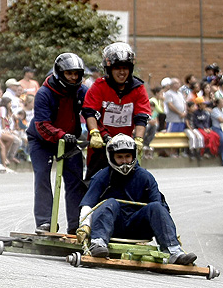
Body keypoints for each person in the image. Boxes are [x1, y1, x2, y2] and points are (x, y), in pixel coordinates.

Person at [76, 134, 197, 265]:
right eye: (120, 157)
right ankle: (98, 244)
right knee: (110, 202)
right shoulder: (101, 176)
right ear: (111, 157)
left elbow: (160, 209)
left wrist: (171, 232)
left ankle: (174, 251)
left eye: (127, 156)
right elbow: (88, 205)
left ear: (134, 155)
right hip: (110, 228)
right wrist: (84, 226)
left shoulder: (146, 177)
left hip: (138, 228)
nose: (124, 161)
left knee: (155, 206)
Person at [26, 53, 88, 234]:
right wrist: (61, 135)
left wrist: (96, 132)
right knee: (42, 176)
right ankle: (45, 222)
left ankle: (76, 225)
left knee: (75, 180)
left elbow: (92, 112)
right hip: (41, 140)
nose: (73, 78)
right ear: (59, 73)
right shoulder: (44, 93)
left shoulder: (82, 91)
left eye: (76, 74)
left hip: (70, 140)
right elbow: (42, 124)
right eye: (69, 73)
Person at [82, 42, 150, 180]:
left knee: (131, 181)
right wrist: (95, 133)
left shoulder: (138, 88)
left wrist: (138, 139)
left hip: (125, 146)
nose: (122, 72)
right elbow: (90, 112)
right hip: (101, 143)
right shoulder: (99, 86)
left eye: (125, 68)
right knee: (94, 181)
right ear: (109, 69)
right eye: (117, 68)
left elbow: (141, 116)